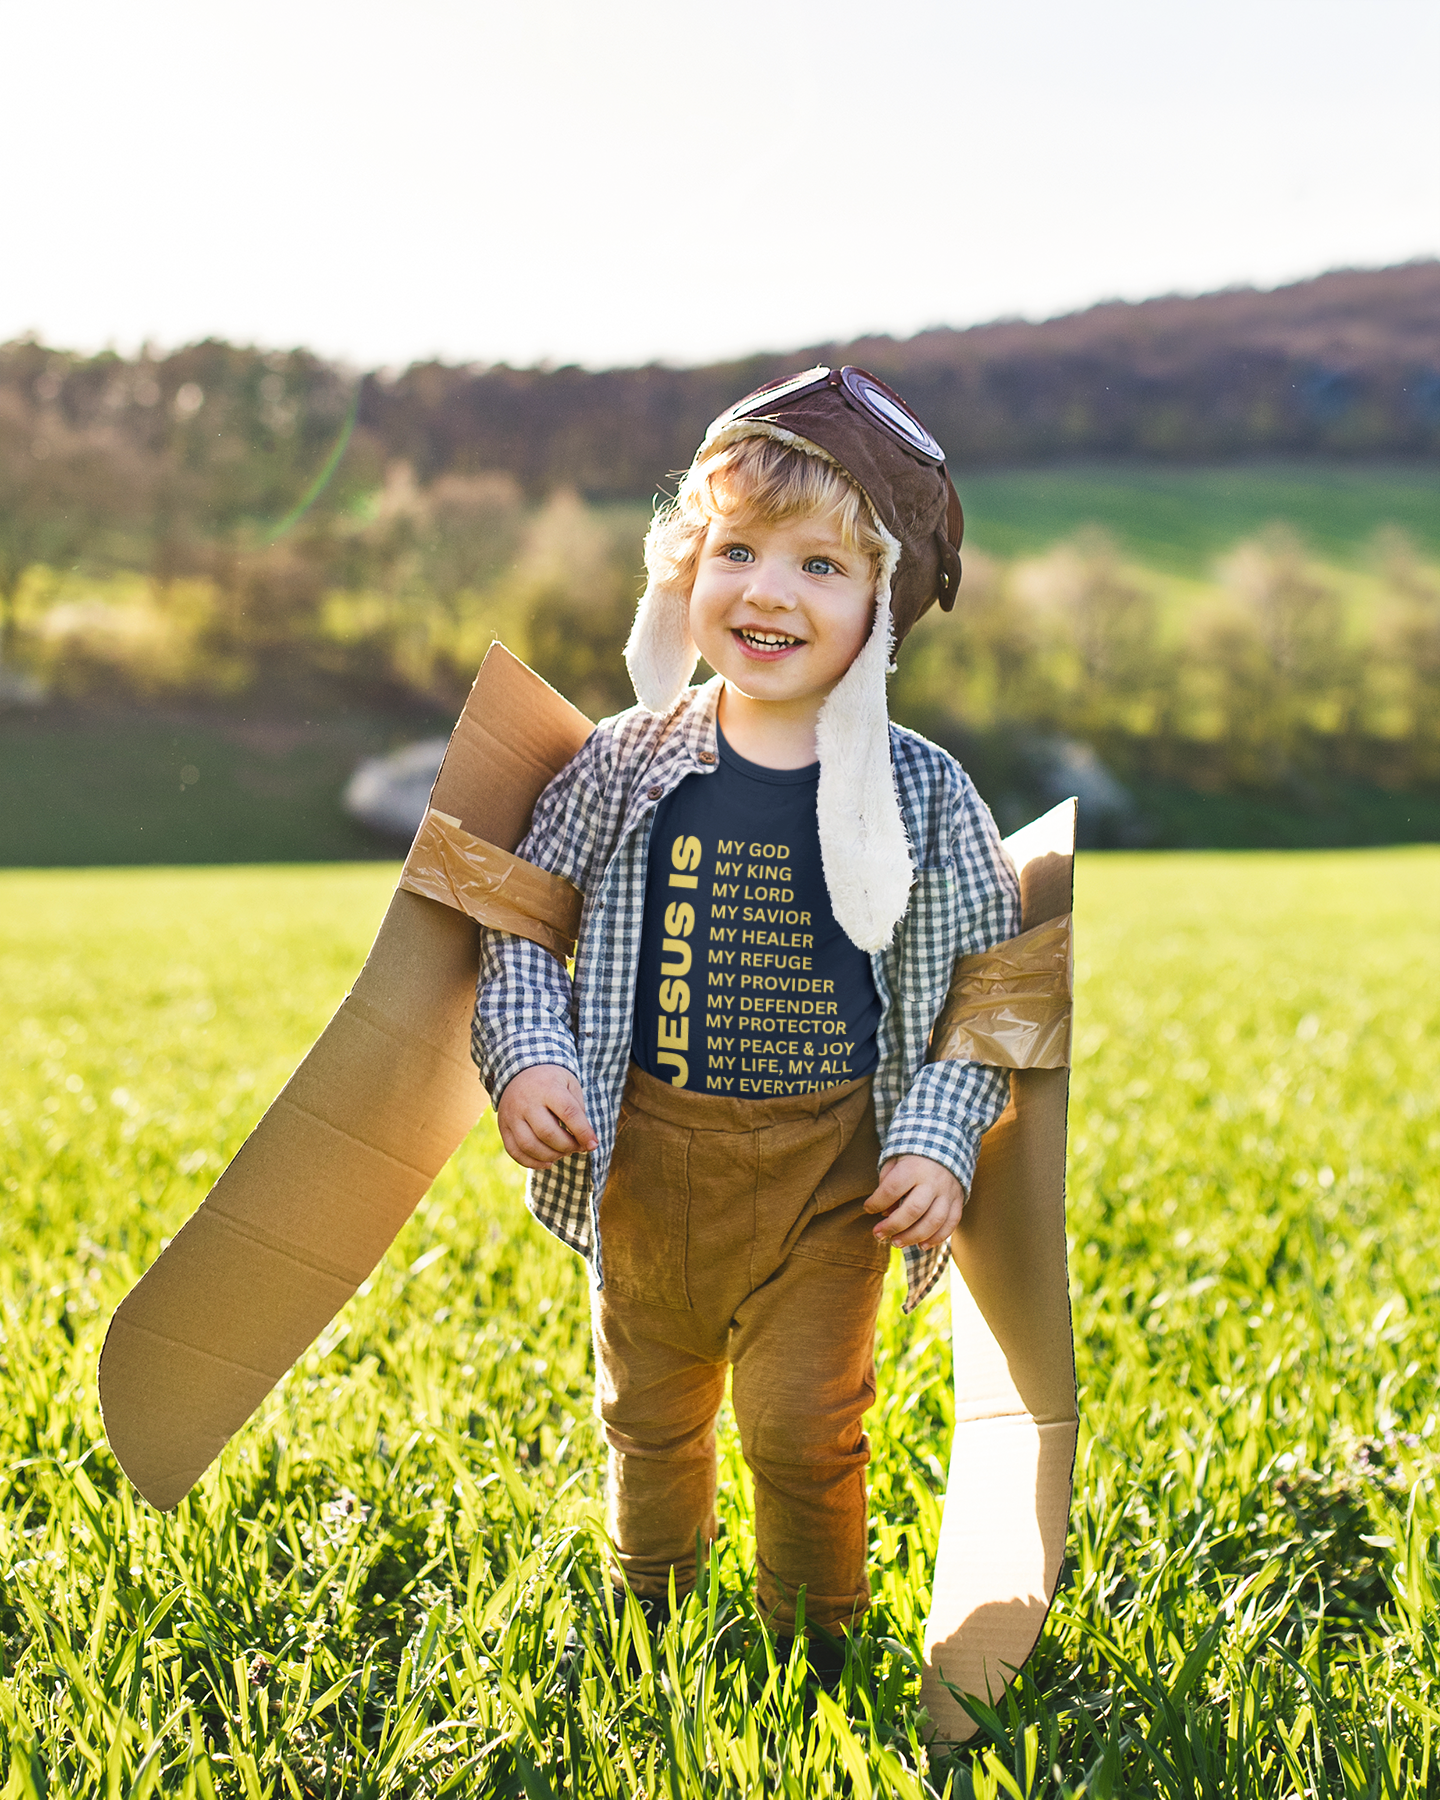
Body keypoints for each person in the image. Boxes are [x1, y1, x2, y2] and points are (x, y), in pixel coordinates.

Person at [470, 366, 1020, 1675]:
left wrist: (938, 1140)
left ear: (882, 605)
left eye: (823, 565)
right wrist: (530, 1054)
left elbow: (990, 991)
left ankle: (812, 1647)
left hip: (829, 1181)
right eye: (740, 551)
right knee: (648, 1415)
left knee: (802, 1426)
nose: (769, 591)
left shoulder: (923, 794)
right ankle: (649, 1619)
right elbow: (522, 925)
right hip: (648, 1163)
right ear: (686, 566)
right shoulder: (623, 760)